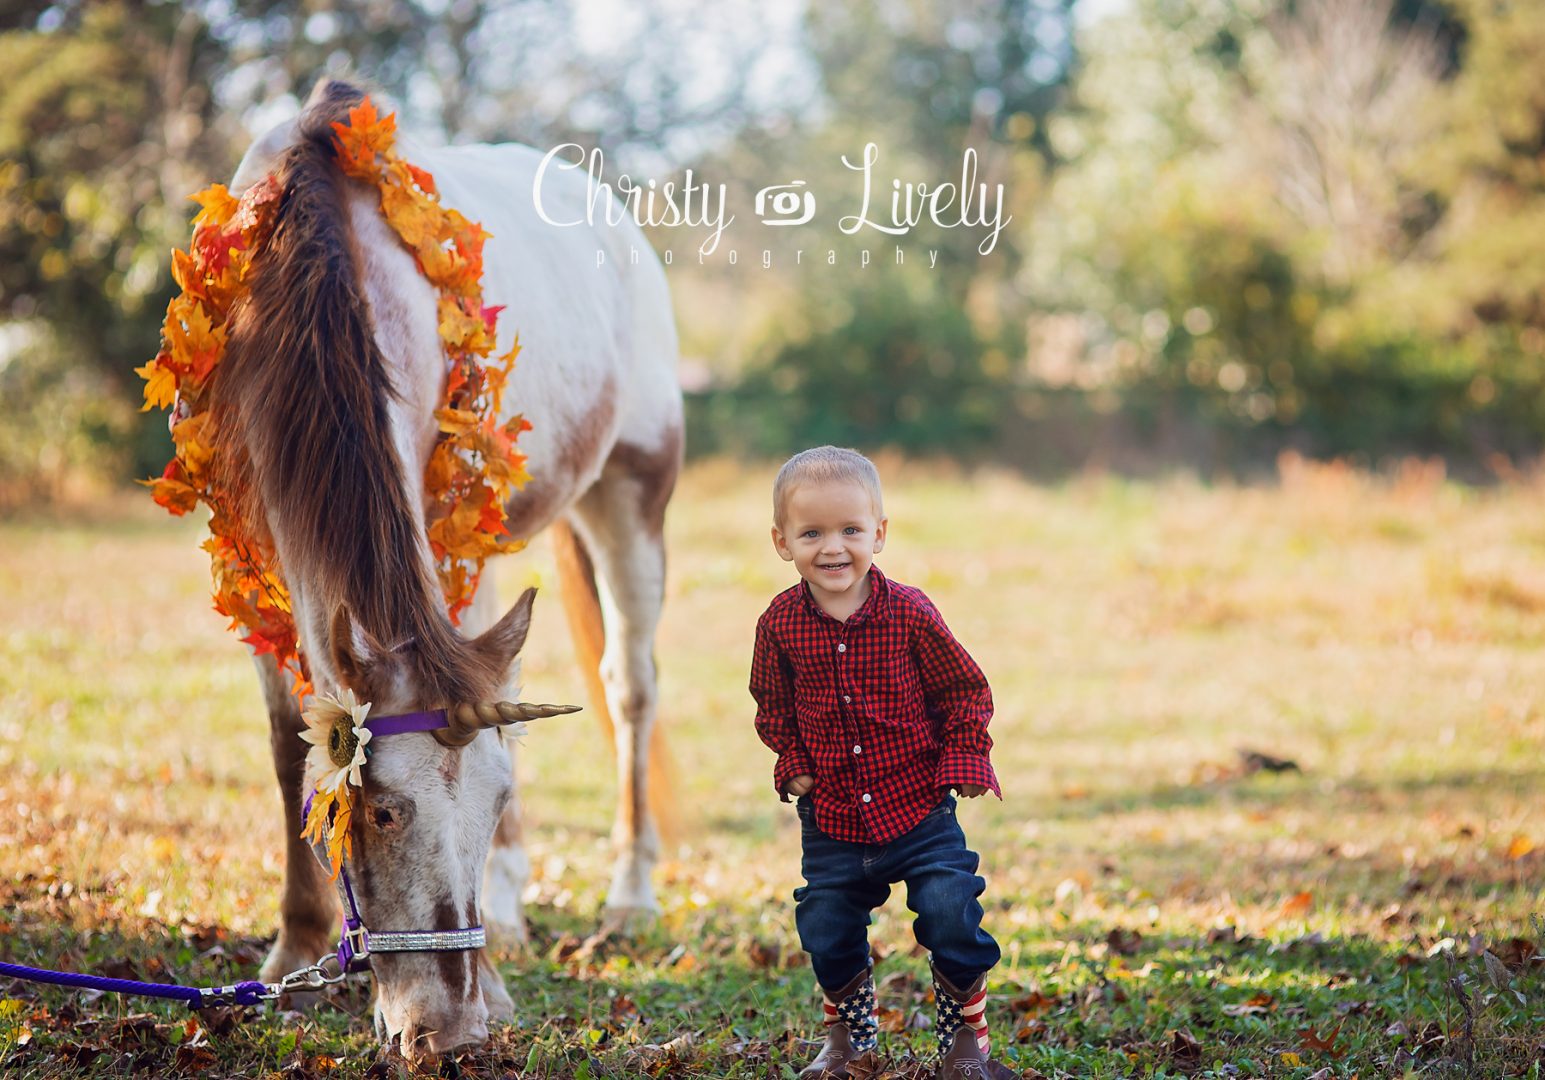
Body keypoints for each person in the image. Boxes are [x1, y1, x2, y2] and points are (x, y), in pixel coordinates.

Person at [749, 446, 1016, 1080]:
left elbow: (965, 690)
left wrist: (966, 755)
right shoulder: (780, 624)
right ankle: (851, 1039)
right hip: (834, 816)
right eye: (811, 532)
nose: (832, 547)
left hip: (919, 805)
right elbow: (772, 703)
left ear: (879, 533)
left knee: (952, 910)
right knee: (824, 925)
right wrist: (791, 758)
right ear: (782, 542)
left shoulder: (911, 614)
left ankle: (965, 1040)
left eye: (850, 530)